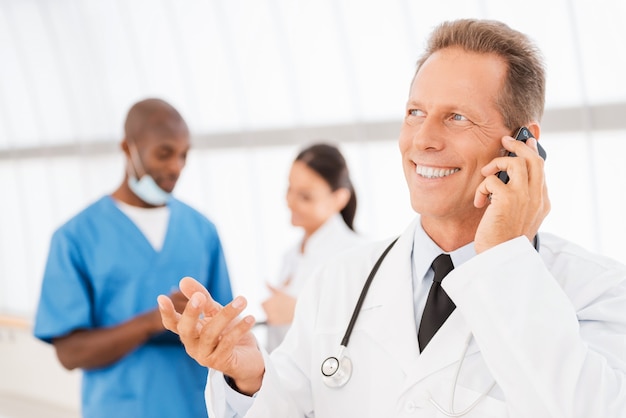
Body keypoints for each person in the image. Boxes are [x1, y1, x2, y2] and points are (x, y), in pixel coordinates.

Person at [158, 19, 626, 417]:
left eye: (457, 118)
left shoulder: (595, 291)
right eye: (415, 112)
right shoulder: (341, 280)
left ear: (524, 144)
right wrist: (249, 378)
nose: (423, 139)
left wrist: (505, 259)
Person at [33, 98, 233, 418]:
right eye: (164, 153)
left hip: (194, 407)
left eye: (184, 155)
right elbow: (70, 353)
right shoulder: (75, 237)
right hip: (118, 407)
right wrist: (154, 320)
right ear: (128, 148)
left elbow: (225, 331)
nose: (176, 167)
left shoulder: (203, 232)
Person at [261, 143, 364, 352]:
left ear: (339, 199)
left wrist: (298, 311)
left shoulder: (357, 254)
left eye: (305, 196)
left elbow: (367, 328)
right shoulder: (290, 256)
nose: (290, 201)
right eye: (290, 188)